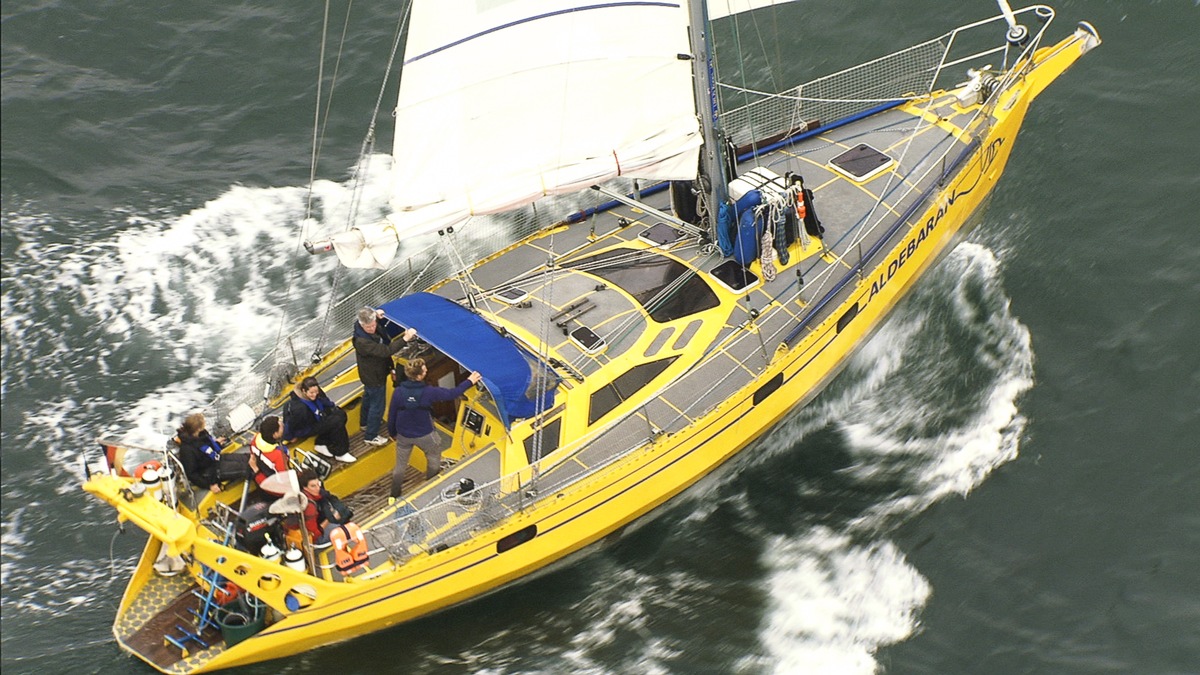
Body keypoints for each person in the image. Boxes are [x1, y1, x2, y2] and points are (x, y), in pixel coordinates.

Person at [387, 358, 481, 499]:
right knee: (434, 462)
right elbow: (452, 394)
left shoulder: (398, 392)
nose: (426, 371)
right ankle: (429, 486)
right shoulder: (429, 392)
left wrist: (392, 433)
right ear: (419, 376)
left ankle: (394, 495)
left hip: (403, 434)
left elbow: (392, 413)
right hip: (425, 434)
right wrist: (470, 381)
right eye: (425, 370)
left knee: (399, 467)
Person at [353, 307, 418, 447]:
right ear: (362, 324)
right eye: (368, 327)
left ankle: (364, 423)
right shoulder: (363, 343)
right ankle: (371, 436)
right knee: (377, 406)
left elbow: (368, 323)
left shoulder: (358, 326)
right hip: (375, 377)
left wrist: (376, 315)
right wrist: (405, 338)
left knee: (368, 399)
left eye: (373, 324)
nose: (372, 328)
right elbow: (386, 351)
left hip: (369, 374)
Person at [283, 376, 354, 463]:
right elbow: (291, 424)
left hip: (317, 419)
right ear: (304, 391)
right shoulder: (300, 408)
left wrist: (331, 407)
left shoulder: (316, 393)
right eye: (311, 393)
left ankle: (322, 442)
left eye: (316, 392)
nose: (315, 394)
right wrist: (289, 437)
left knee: (340, 414)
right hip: (307, 428)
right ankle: (340, 453)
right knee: (336, 422)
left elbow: (327, 402)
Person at [176, 412, 232, 493]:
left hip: (214, 461)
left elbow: (207, 449)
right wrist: (209, 485)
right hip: (209, 471)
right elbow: (191, 474)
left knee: (244, 458)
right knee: (245, 467)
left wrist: (217, 444)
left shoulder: (200, 437)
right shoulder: (188, 450)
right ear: (198, 428)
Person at [297, 469, 353, 545]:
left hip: (320, 521)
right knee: (348, 531)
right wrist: (329, 519)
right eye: (313, 486)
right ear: (305, 488)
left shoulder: (315, 494)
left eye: (318, 484)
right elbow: (314, 535)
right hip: (316, 537)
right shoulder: (309, 507)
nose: (318, 488)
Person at [249, 416, 290, 496]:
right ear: (275, 434)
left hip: (263, 473)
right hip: (272, 489)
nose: (283, 425)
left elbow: (252, 454)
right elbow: (284, 479)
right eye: (281, 427)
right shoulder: (278, 456)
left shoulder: (256, 440)